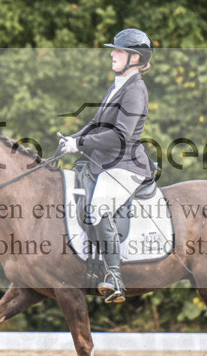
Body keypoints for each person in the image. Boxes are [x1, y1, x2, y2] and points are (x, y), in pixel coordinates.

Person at [58, 28, 155, 303]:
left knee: (99, 207)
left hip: (126, 164)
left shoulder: (136, 90)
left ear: (135, 57)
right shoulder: (118, 84)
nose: (112, 54)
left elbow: (121, 136)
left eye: (119, 51)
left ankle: (114, 277)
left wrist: (81, 144)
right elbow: (97, 123)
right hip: (106, 162)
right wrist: (74, 139)